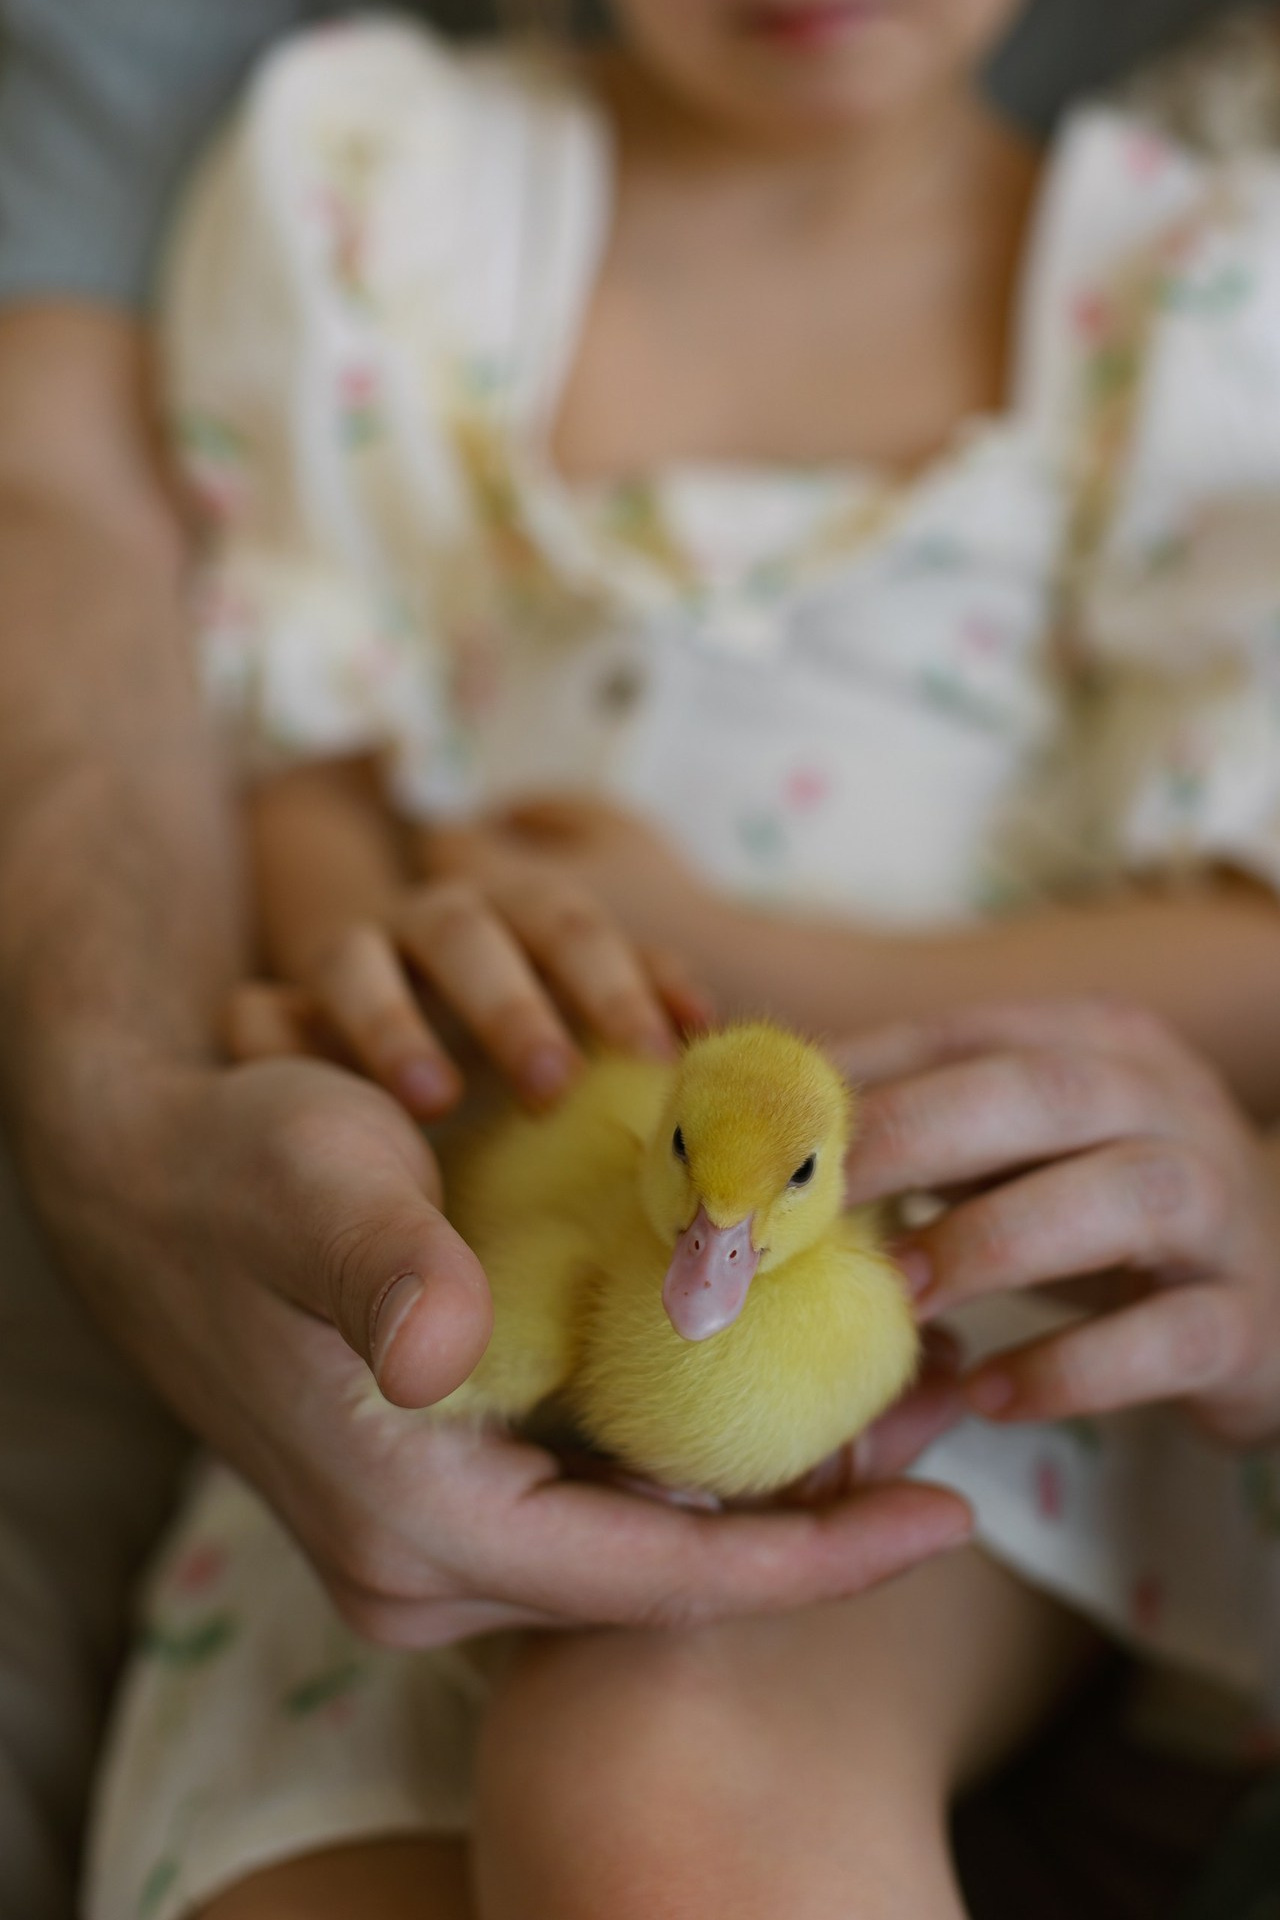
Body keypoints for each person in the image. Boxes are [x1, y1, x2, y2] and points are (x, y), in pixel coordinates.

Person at [0, 1, 1251, 1915]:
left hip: (919, 1340)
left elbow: (1251, 951)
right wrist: (389, 966)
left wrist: (751, 960)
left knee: (657, 1808)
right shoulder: (382, 198)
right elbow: (296, 757)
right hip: (456, 1285)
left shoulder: (1190, 293)